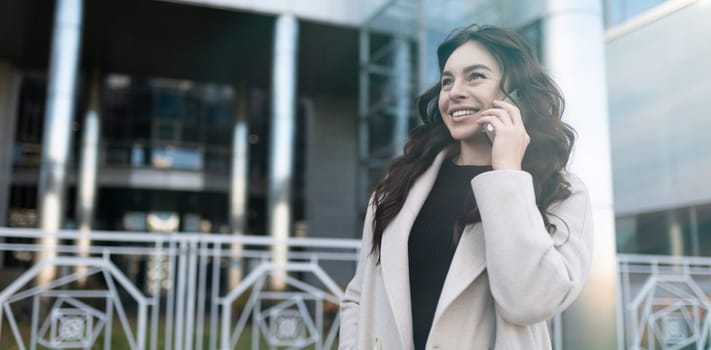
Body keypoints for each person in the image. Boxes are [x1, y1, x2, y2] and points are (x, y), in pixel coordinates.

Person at [339, 24, 594, 350]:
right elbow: (360, 295)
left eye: (475, 76)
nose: (454, 91)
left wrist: (507, 174)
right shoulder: (398, 186)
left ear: (517, 93)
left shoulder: (561, 192)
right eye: (447, 80)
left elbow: (529, 302)